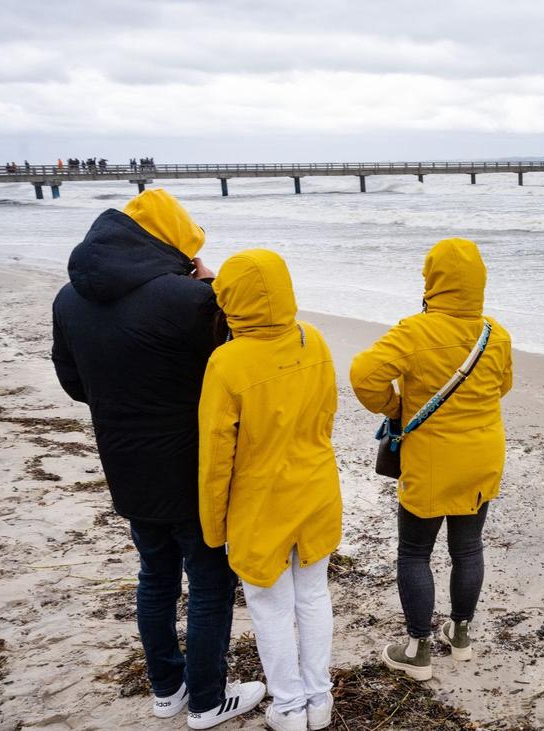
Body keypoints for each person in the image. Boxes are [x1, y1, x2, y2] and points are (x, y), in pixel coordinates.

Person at [51, 189, 265, 728]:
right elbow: (237, 371)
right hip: (195, 468)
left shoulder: (68, 300)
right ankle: (208, 699)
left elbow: (74, 384)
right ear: (173, 241)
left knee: (155, 577)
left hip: (126, 465)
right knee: (211, 581)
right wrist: (210, 284)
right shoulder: (189, 300)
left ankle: (166, 689)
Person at [350, 237, 513, 681]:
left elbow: (363, 375)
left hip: (431, 461)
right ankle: (460, 637)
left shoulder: (414, 331)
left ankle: (418, 648)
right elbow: (502, 386)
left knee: (415, 552)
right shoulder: (494, 334)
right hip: (481, 456)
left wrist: (395, 407)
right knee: (468, 548)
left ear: (432, 281)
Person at [198, 249, 343, 731]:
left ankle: (287, 707)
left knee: (270, 607)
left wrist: (214, 526)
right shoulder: (314, 339)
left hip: (260, 502)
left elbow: (216, 457)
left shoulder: (226, 361)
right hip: (317, 485)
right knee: (313, 596)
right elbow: (326, 415)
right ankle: (319, 702)